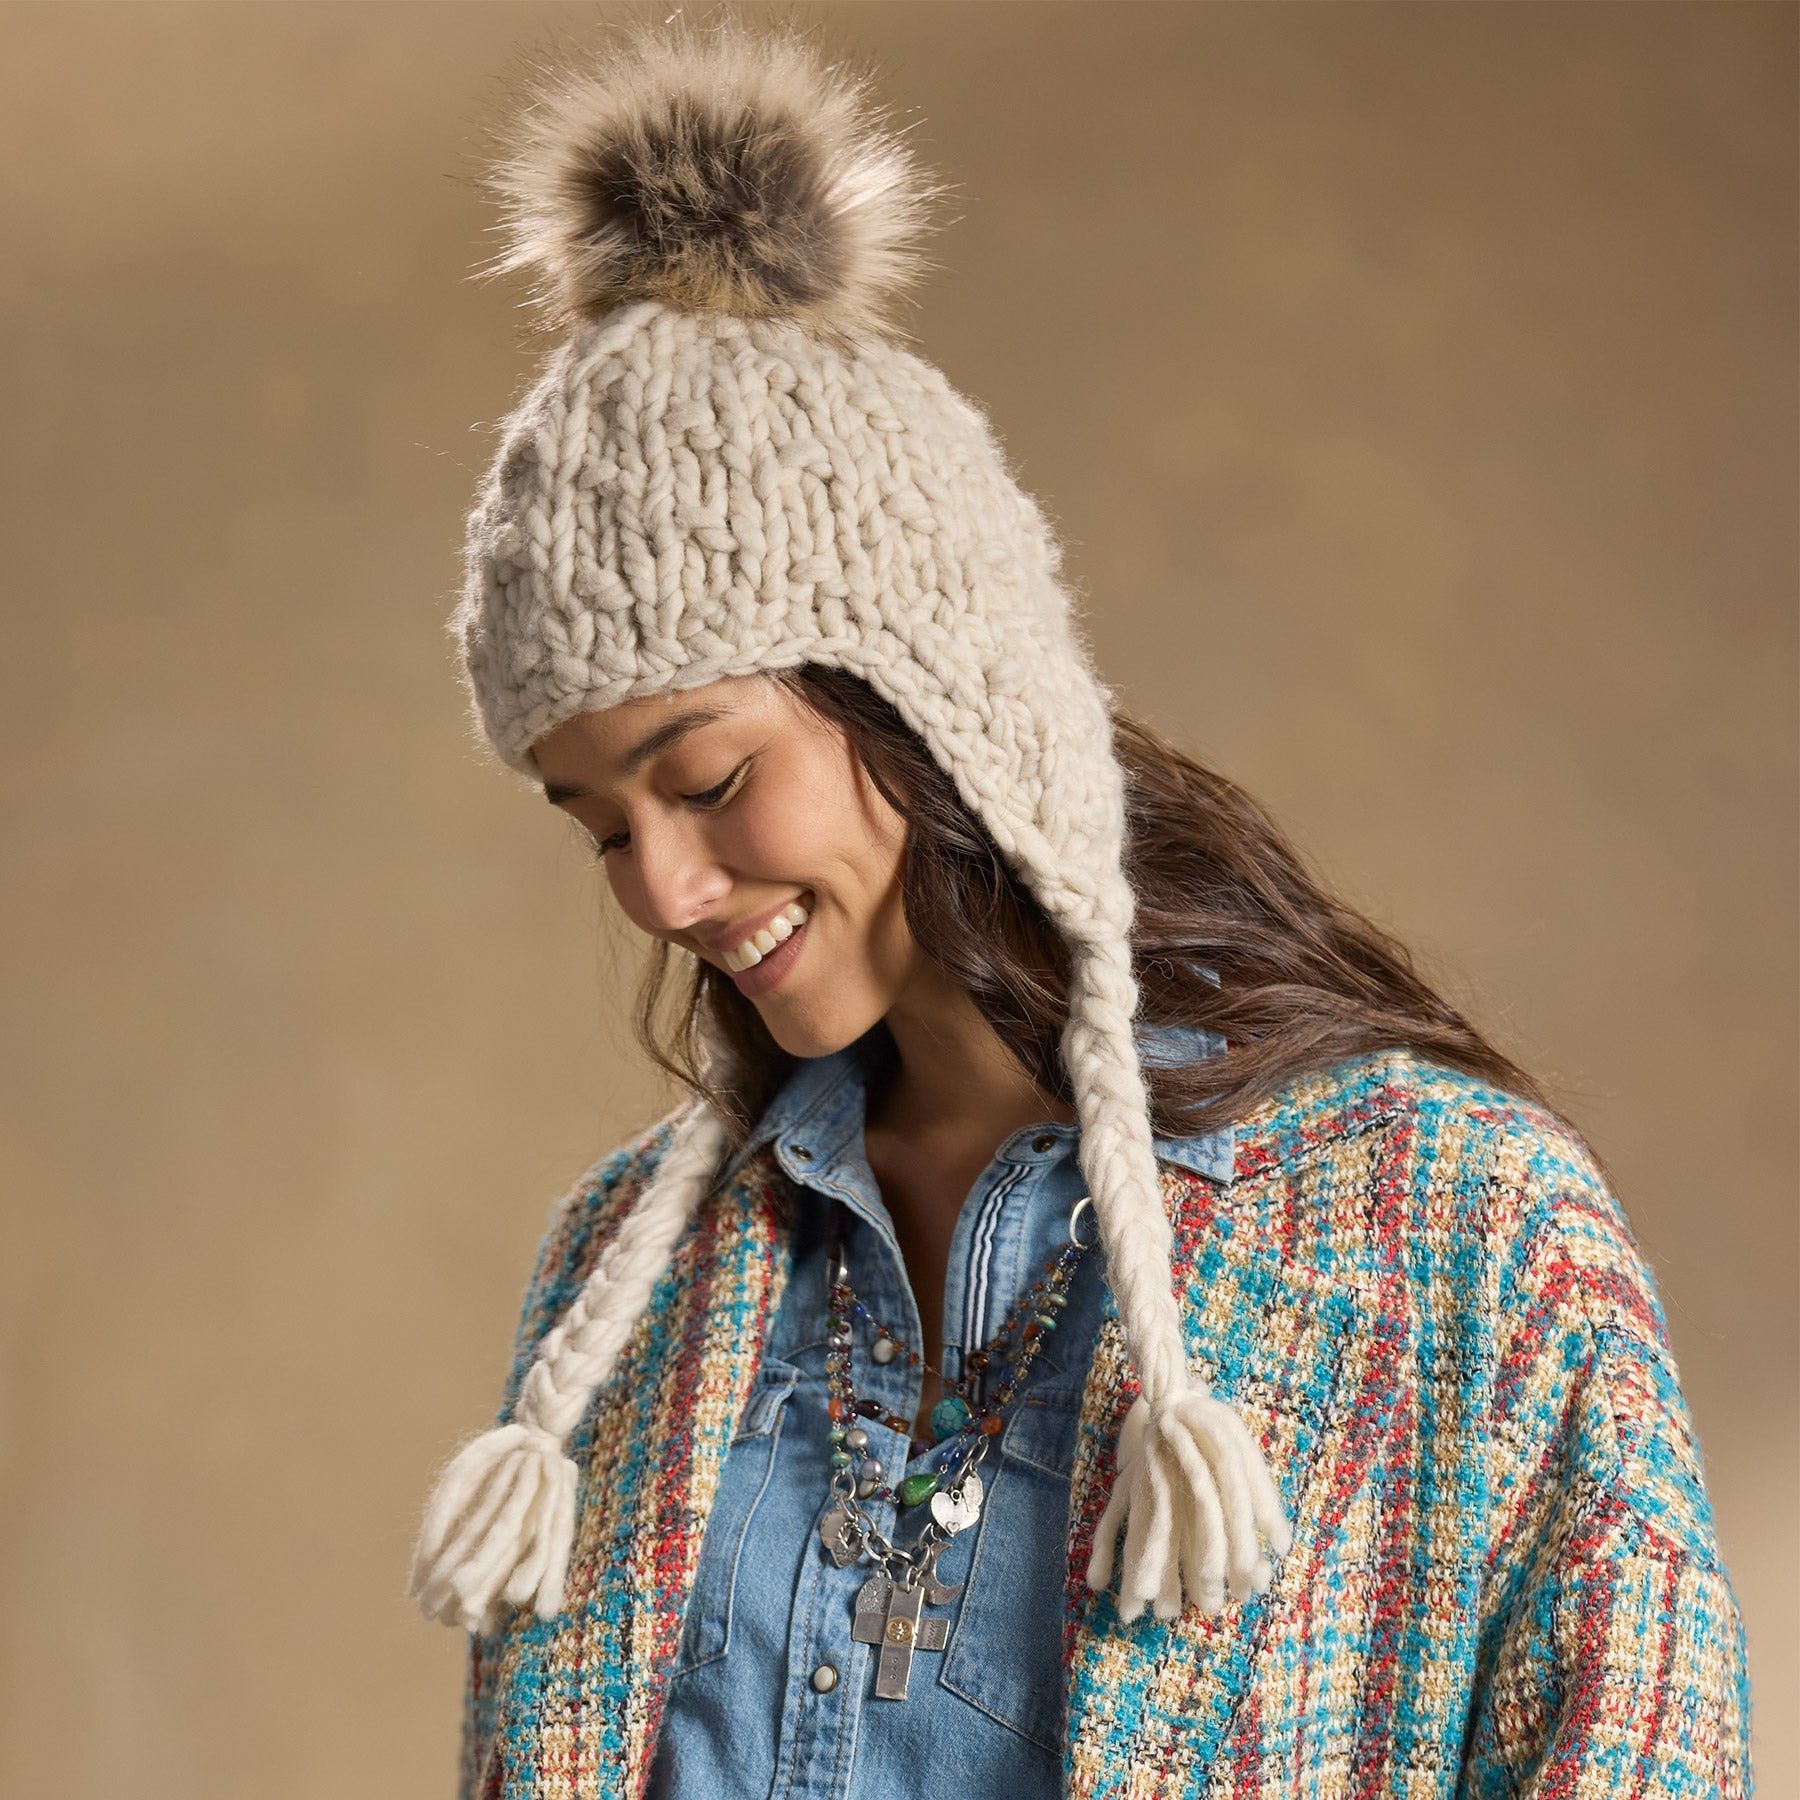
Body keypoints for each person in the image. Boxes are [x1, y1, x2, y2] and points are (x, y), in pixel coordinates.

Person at [409, 19, 1751, 1799]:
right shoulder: (626, 1282)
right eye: (599, 829)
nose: (662, 889)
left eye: (711, 779)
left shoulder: (1462, 1227)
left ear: (930, 704)